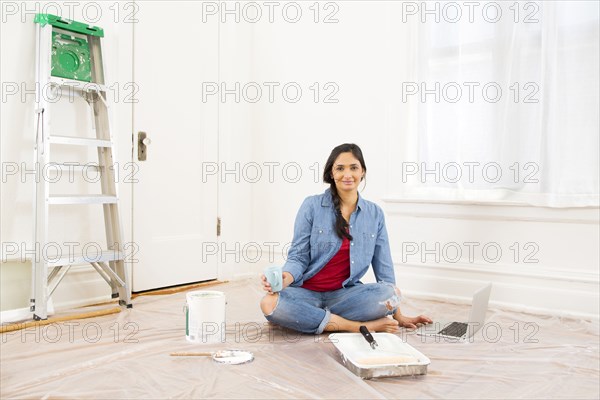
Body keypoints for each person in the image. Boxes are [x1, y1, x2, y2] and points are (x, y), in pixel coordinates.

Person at [260, 143, 432, 334]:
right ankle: (356, 326)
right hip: (306, 293)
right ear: (331, 174)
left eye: (353, 168)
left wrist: (398, 314)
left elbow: (384, 269)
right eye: (340, 168)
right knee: (269, 303)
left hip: (345, 296)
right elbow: (298, 257)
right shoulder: (312, 205)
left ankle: (311, 318)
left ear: (363, 172)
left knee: (391, 294)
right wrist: (286, 278)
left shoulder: (375, 214)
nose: (347, 174)